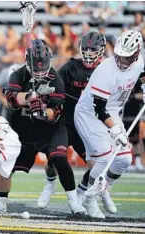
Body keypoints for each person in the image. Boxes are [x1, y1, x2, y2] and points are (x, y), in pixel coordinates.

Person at [37, 31, 119, 213]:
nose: (89, 52)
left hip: (89, 124)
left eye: (93, 49)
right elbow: (55, 85)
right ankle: (50, 184)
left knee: (100, 162)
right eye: (86, 48)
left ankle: (88, 191)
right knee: (55, 157)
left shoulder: (106, 69)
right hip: (66, 122)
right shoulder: (71, 67)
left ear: (101, 50)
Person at [4, 39, 86, 215]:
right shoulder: (18, 74)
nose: (41, 72)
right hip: (25, 129)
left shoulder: (56, 79)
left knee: (60, 159)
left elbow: (55, 111)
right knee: (6, 165)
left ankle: (74, 201)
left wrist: (42, 110)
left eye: (44, 67)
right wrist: (29, 97)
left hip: (52, 128)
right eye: (37, 68)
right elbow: (11, 99)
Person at [74, 30, 144, 219]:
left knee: (124, 160)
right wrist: (115, 131)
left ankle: (105, 188)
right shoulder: (105, 71)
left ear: (136, 54)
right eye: (119, 56)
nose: (121, 61)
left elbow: (143, 73)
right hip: (89, 114)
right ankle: (89, 199)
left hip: (112, 112)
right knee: (104, 158)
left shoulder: (139, 61)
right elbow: (99, 109)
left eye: (126, 57)